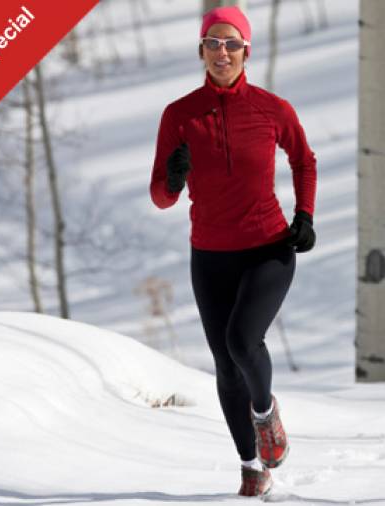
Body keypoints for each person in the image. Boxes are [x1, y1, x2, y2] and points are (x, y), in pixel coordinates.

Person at [148, 6, 317, 498]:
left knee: (244, 342)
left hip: (268, 246)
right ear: (201, 50)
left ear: (247, 50)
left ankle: (265, 415)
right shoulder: (179, 115)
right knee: (225, 366)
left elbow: (304, 161)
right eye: (213, 43)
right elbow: (161, 196)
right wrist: (175, 177)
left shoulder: (272, 108)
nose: (222, 52)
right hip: (211, 254)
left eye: (232, 43)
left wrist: (304, 215)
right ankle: (250, 466)